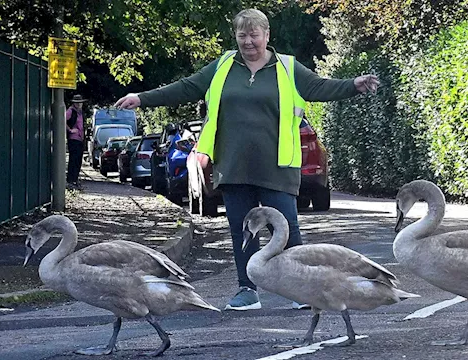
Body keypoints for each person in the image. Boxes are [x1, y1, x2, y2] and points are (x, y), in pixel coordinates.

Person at [115, 9, 379, 311]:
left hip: (277, 166)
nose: (248, 41)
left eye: (254, 35)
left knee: (287, 231)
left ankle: (300, 289)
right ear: (236, 37)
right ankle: (246, 289)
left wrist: (353, 85)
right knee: (242, 229)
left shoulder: (288, 67)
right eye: (242, 35)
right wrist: (143, 98)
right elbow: (187, 87)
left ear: (267, 36)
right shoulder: (223, 66)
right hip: (233, 165)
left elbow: (320, 87)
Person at [66, 94, 87, 189]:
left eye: (80, 103)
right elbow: (62, 120)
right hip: (73, 138)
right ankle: (70, 180)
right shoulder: (71, 111)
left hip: (80, 139)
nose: (79, 105)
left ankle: (75, 179)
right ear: (74, 103)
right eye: (77, 103)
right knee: (73, 159)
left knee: (78, 160)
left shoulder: (81, 112)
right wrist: (70, 130)